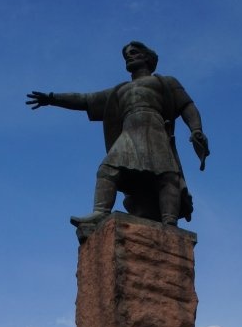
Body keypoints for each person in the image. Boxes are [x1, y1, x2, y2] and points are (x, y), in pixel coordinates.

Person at [27, 41, 209, 228]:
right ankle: (100, 212)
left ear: (147, 57)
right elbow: (85, 100)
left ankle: (169, 221)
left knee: (167, 175)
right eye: (126, 55)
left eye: (134, 52)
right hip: (129, 133)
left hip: (155, 129)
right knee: (107, 169)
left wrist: (196, 129)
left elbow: (187, 106)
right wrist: (52, 98)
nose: (129, 56)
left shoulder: (165, 82)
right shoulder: (119, 90)